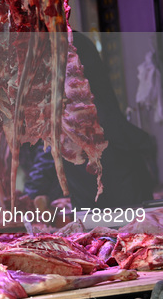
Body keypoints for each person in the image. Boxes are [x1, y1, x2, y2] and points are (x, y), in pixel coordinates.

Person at [23, 32, 157, 210]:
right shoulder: (58, 46)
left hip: (110, 176)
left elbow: (101, 114)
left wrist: (141, 142)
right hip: (93, 178)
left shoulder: (67, 45)